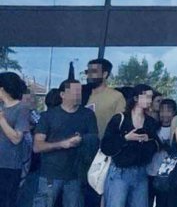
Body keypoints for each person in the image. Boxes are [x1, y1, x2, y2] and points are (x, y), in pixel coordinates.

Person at [32, 79, 95, 207]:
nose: (78, 94)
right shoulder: (48, 116)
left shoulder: (88, 115)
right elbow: (37, 146)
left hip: (76, 174)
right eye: (74, 91)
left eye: (79, 91)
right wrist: (62, 144)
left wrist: (82, 139)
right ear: (62, 94)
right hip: (50, 173)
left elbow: (95, 140)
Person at [101, 84, 159, 207]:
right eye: (146, 96)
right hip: (120, 171)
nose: (149, 100)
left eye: (151, 97)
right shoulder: (120, 119)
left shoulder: (150, 122)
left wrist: (148, 140)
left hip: (141, 171)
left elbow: (156, 146)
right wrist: (125, 138)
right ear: (136, 98)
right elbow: (106, 146)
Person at [0, 72, 32, 207]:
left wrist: (1, 119)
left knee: (7, 202)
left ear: (2, 88)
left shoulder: (22, 109)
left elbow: (17, 139)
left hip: (10, 166)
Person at [83, 60, 124, 138]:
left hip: (103, 145)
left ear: (104, 74)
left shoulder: (116, 97)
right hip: (80, 145)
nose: (89, 75)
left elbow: (120, 125)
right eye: (87, 72)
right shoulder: (81, 93)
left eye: (93, 72)